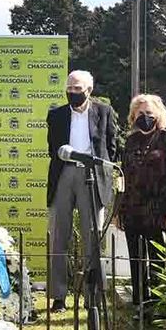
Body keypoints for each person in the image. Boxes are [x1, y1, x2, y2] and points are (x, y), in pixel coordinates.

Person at [45, 70, 120, 312]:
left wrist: (102, 171)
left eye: (77, 88)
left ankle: (93, 297)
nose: (72, 92)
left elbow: (112, 145)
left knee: (93, 238)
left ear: (89, 90)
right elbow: (52, 148)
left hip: (91, 175)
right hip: (64, 174)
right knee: (59, 235)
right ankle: (58, 296)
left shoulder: (103, 111)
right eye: (69, 88)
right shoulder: (55, 115)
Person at [116, 94, 166, 318]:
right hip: (133, 206)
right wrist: (118, 210)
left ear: (158, 115)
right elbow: (123, 176)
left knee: (157, 256)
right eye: (140, 114)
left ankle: (158, 304)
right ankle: (139, 304)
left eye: (149, 114)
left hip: (158, 205)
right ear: (133, 116)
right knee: (136, 257)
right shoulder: (130, 141)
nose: (144, 118)